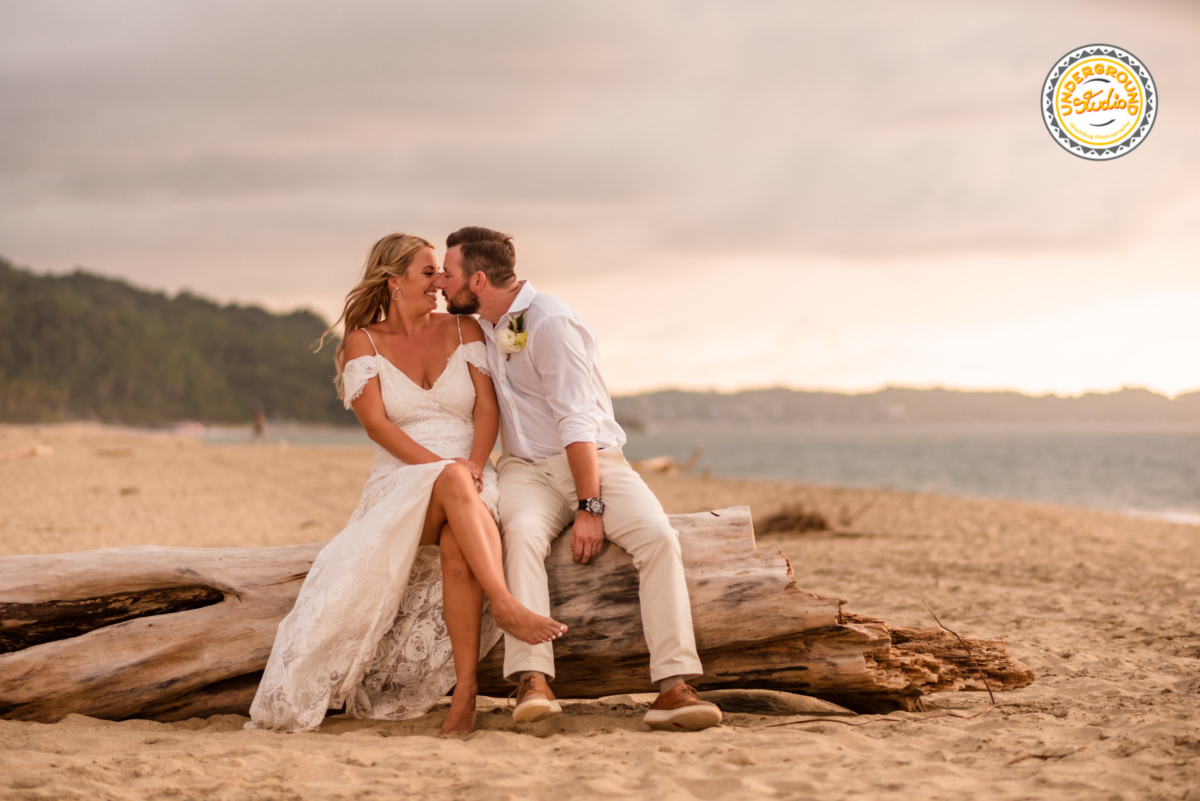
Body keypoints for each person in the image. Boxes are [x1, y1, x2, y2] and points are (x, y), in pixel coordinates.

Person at [248, 233, 566, 735]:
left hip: (472, 473)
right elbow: (379, 426)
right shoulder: (363, 342)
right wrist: (445, 468)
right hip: (401, 482)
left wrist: (473, 463)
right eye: (428, 273)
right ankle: (505, 603)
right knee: (451, 483)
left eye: (442, 272)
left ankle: (465, 693)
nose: (440, 282)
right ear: (394, 282)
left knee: (458, 548)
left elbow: (487, 407)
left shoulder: (465, 329)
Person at [438, 226, 723, 731]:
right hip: (525, 470)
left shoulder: (549, 324)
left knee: (659, 538)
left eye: (449, 271)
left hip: (592, 463)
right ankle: (532, 679)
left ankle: (674, 686)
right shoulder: (482, 324)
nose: (442, 281)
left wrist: (590, 507)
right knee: (521, 534)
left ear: (477, 279)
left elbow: (578, 422)